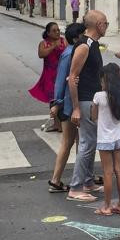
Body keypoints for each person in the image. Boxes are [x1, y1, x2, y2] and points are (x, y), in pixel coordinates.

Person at [67, 10, 108, 202]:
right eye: (105, 23)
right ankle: (75, 187)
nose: (107, 26)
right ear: (99, 24)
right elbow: (72, 77)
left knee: (91, 142)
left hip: (92, 99)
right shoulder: (84, 46)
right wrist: (76, 107)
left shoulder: (93, 44)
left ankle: (88, 181)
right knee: (87, 143)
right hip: (84, 100)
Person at [48, 22, 87, 192]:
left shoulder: (74, 52)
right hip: (68, 104)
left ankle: (83, 176)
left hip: (71, 103)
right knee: (69, 141)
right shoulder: (70, 54)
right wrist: (56, 103)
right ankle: (56, 179)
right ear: (77, 37)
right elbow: (60, 81)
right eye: (83, 35)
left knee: (79, 141)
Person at [92, 63, 120, 215]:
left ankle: (106, 206)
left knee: (107, 172)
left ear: (104, 80)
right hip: (118, 137)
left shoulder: (99, 96)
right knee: (119, 170)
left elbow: (93, 116)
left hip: (105, 139)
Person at [29, 22, 67, 132]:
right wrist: (53, 46)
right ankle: (57, 124)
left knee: (62, 98)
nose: (57, 32)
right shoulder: (44, 43)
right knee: (53, 100)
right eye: (54, 31)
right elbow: (41, 54)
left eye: (58, 30)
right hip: (49, 75)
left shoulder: (63, 40)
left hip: (62, 74)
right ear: (48, 33)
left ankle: (63, 123)